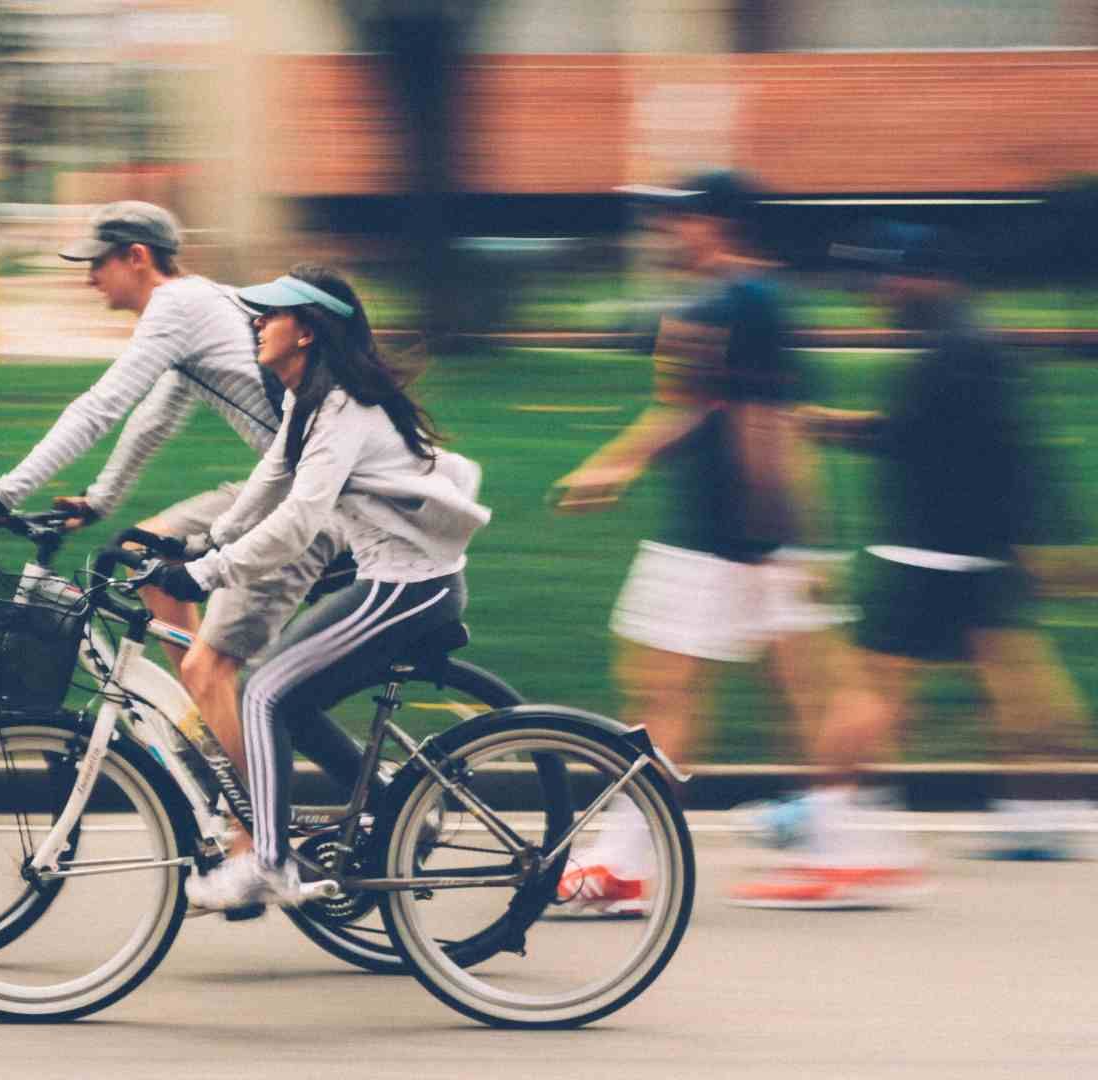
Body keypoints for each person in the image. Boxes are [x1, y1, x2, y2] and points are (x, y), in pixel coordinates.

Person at [730, 224, 1092, 906]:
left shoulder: (954, 351)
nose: (878, 293)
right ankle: (1042, 813)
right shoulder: (968, 341)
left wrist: (828, 425)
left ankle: (837, 841)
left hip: (929, 551)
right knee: (1017, 677)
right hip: (974, 551)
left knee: (866, 691)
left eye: (886, 279)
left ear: (926, 276)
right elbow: (981, 444)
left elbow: (927, 441)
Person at [0, 201, 350, 816]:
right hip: (285, 483)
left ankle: (253, 818)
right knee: (142, 552)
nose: (89, 278)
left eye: (97, 263)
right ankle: (209, 728)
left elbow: (102, 405)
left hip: (314, 501)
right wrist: (99, 500)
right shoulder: (195, 306)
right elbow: (155, 419)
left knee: (209, 666)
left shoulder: (176, 307)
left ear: (136, 257)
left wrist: (6, 492)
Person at [148, 265, 491, 909]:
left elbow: (297, 523)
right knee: (291, 701)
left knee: (262, 695)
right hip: (395, 584)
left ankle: (269, 864)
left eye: (272, 315)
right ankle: (394, 807)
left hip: (408, 590)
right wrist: (202, 541)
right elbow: (268, 485)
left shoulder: (343, 408)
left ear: (306, 332)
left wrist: (206, 573)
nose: (257, 323)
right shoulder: (310, 401)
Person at [550, 171, 841, 915]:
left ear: (717, 224)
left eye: (679, 219)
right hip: (733, 534)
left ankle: (630, 864)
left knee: (683, 691)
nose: (667, 232)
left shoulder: (739, 302)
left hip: (730, 537)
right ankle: (834, 846)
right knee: (716, 691)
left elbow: (760, 419)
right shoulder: (744, 300)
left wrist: (776, 539)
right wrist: (617, 466)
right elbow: (706, 410)